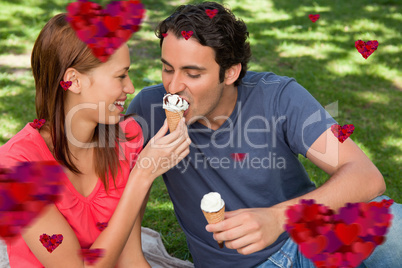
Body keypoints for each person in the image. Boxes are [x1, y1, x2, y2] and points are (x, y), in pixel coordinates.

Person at [127, 2, 401, 267]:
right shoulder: (149, 109)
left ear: (230, 72)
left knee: (392, 226)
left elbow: (366, 176)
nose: (173, 86)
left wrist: (279, 218)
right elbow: (118, 199)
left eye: (193, 73)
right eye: (167, 68)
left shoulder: (280, 96)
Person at [0, 13, 191, 267]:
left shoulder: (127, 137)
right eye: (120, 76)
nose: (131, 87)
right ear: (74, 80)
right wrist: (142, 176)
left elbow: (130, 256)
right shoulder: (18, 166)